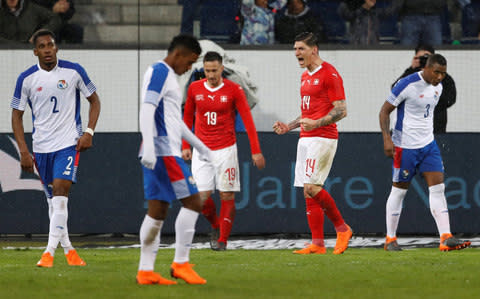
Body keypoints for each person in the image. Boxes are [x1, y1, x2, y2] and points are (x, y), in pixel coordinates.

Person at [10, 29, 101, 267]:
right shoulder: (26, 79)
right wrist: (23, 151)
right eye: (42, 46)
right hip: (41, 148)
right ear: (35, 51)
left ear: (56, 47)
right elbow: (16, 116)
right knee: (53, 202)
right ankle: (69, 250)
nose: (48, 49)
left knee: (61, 192)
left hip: (68, 144)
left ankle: (48, 253)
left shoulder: (73, 71)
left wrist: (88, 132)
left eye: (51, 44)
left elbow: (95, 101)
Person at [136, 34, 213, 285]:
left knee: (157, 211)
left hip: (163, 150)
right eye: (190, 62)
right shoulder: (160, 71)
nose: (190, 68)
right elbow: (147, 109)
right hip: (163, 152)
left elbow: (174, 121)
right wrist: (148, 145)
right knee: (193, 202)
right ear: (178, 54)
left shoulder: (167, 76)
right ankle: (180, 263)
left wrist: (200, 146)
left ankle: (146, 271)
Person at [379, 54, 471, 252]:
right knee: (399, 191)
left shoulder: (439, 87)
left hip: (428, 145)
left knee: (438, 189)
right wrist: (387, 138)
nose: (439, 77)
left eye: (443, 74)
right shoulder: (407, 84)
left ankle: (445, 237)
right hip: (405, 147)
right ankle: (390, 239)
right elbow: (384, 111)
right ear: (427, 68)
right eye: (436, 72)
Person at [273, 32, 353, 255]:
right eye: (295, 49)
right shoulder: (305, 76)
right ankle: (318, 244)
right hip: (306, 138)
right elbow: (307, 113)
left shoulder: (330, 74)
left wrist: (316, 123)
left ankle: (342, 228)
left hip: (324, 137)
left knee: (312, 187)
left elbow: (341, 110)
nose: (297, 53)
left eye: (301, 49)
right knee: (307, 192)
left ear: (314, 50)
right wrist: (289, 126)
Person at [182, 51, 266, 251]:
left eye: (214, 70)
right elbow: (187, 118)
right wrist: (185, 146)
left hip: (226, 149)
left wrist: (256, 150)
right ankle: (216, 226)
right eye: (207, 70)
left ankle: (222, 241)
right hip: (202, 150)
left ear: (222, 69)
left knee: (227, 195)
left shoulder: (234, 89)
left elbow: (247, 119)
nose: (211, 75)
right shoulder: (194, 89)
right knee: (201, 199)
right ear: (203, 69)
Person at [392, 45, 456, 133]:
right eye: (421, 58)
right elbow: (395, 91)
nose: (425, 61)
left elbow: (450, 99)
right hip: (409, 130)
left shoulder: (444, 79)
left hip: (435, 128)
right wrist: (412, 69)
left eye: (428, 59)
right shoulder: (411, 76)